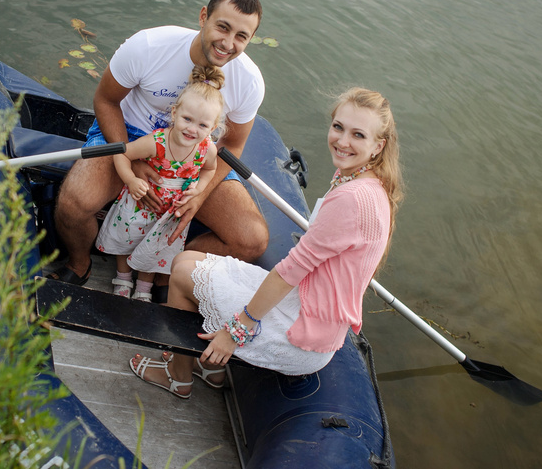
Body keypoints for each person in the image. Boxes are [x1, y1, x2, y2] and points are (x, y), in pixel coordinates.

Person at [128, 87, 403, 398]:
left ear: (378, 145)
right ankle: (210, 369)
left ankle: (178, 377)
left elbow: (292, 270)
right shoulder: (371, 185)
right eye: (338, 127)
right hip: (308, 304)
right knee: (185, 261)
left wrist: (237, 331)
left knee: (180, 274)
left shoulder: (351, 199)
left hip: (302, 335)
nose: (342, 141)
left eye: (358, 135)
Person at [51, 0, 268, 286]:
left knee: (251, 240)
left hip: (195, 155)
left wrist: (200, 193)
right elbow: (105, 100)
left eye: (241, 36)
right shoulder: (149, 46)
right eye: (223, 27)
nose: (228, 43)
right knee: (74, 202)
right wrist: (126, 158)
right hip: (131, 135)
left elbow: (232, 145)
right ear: (203, 16)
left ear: (250, 39)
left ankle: (167, 276)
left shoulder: (249, 82)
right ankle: (79, 264)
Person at [95, 65, 225, 301]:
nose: (192, 129)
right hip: (141, 204)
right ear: (174, 113)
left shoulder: (207, 150)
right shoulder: (156, 142)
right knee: (128, 239)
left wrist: (199, 189)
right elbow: (123, 154)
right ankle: (123, 278)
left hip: (171, 210)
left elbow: (210, 170)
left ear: (212, 128)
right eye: (187, 119)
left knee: (155, 247)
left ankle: (144, 287)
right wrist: (131, 179)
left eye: (202, 125)